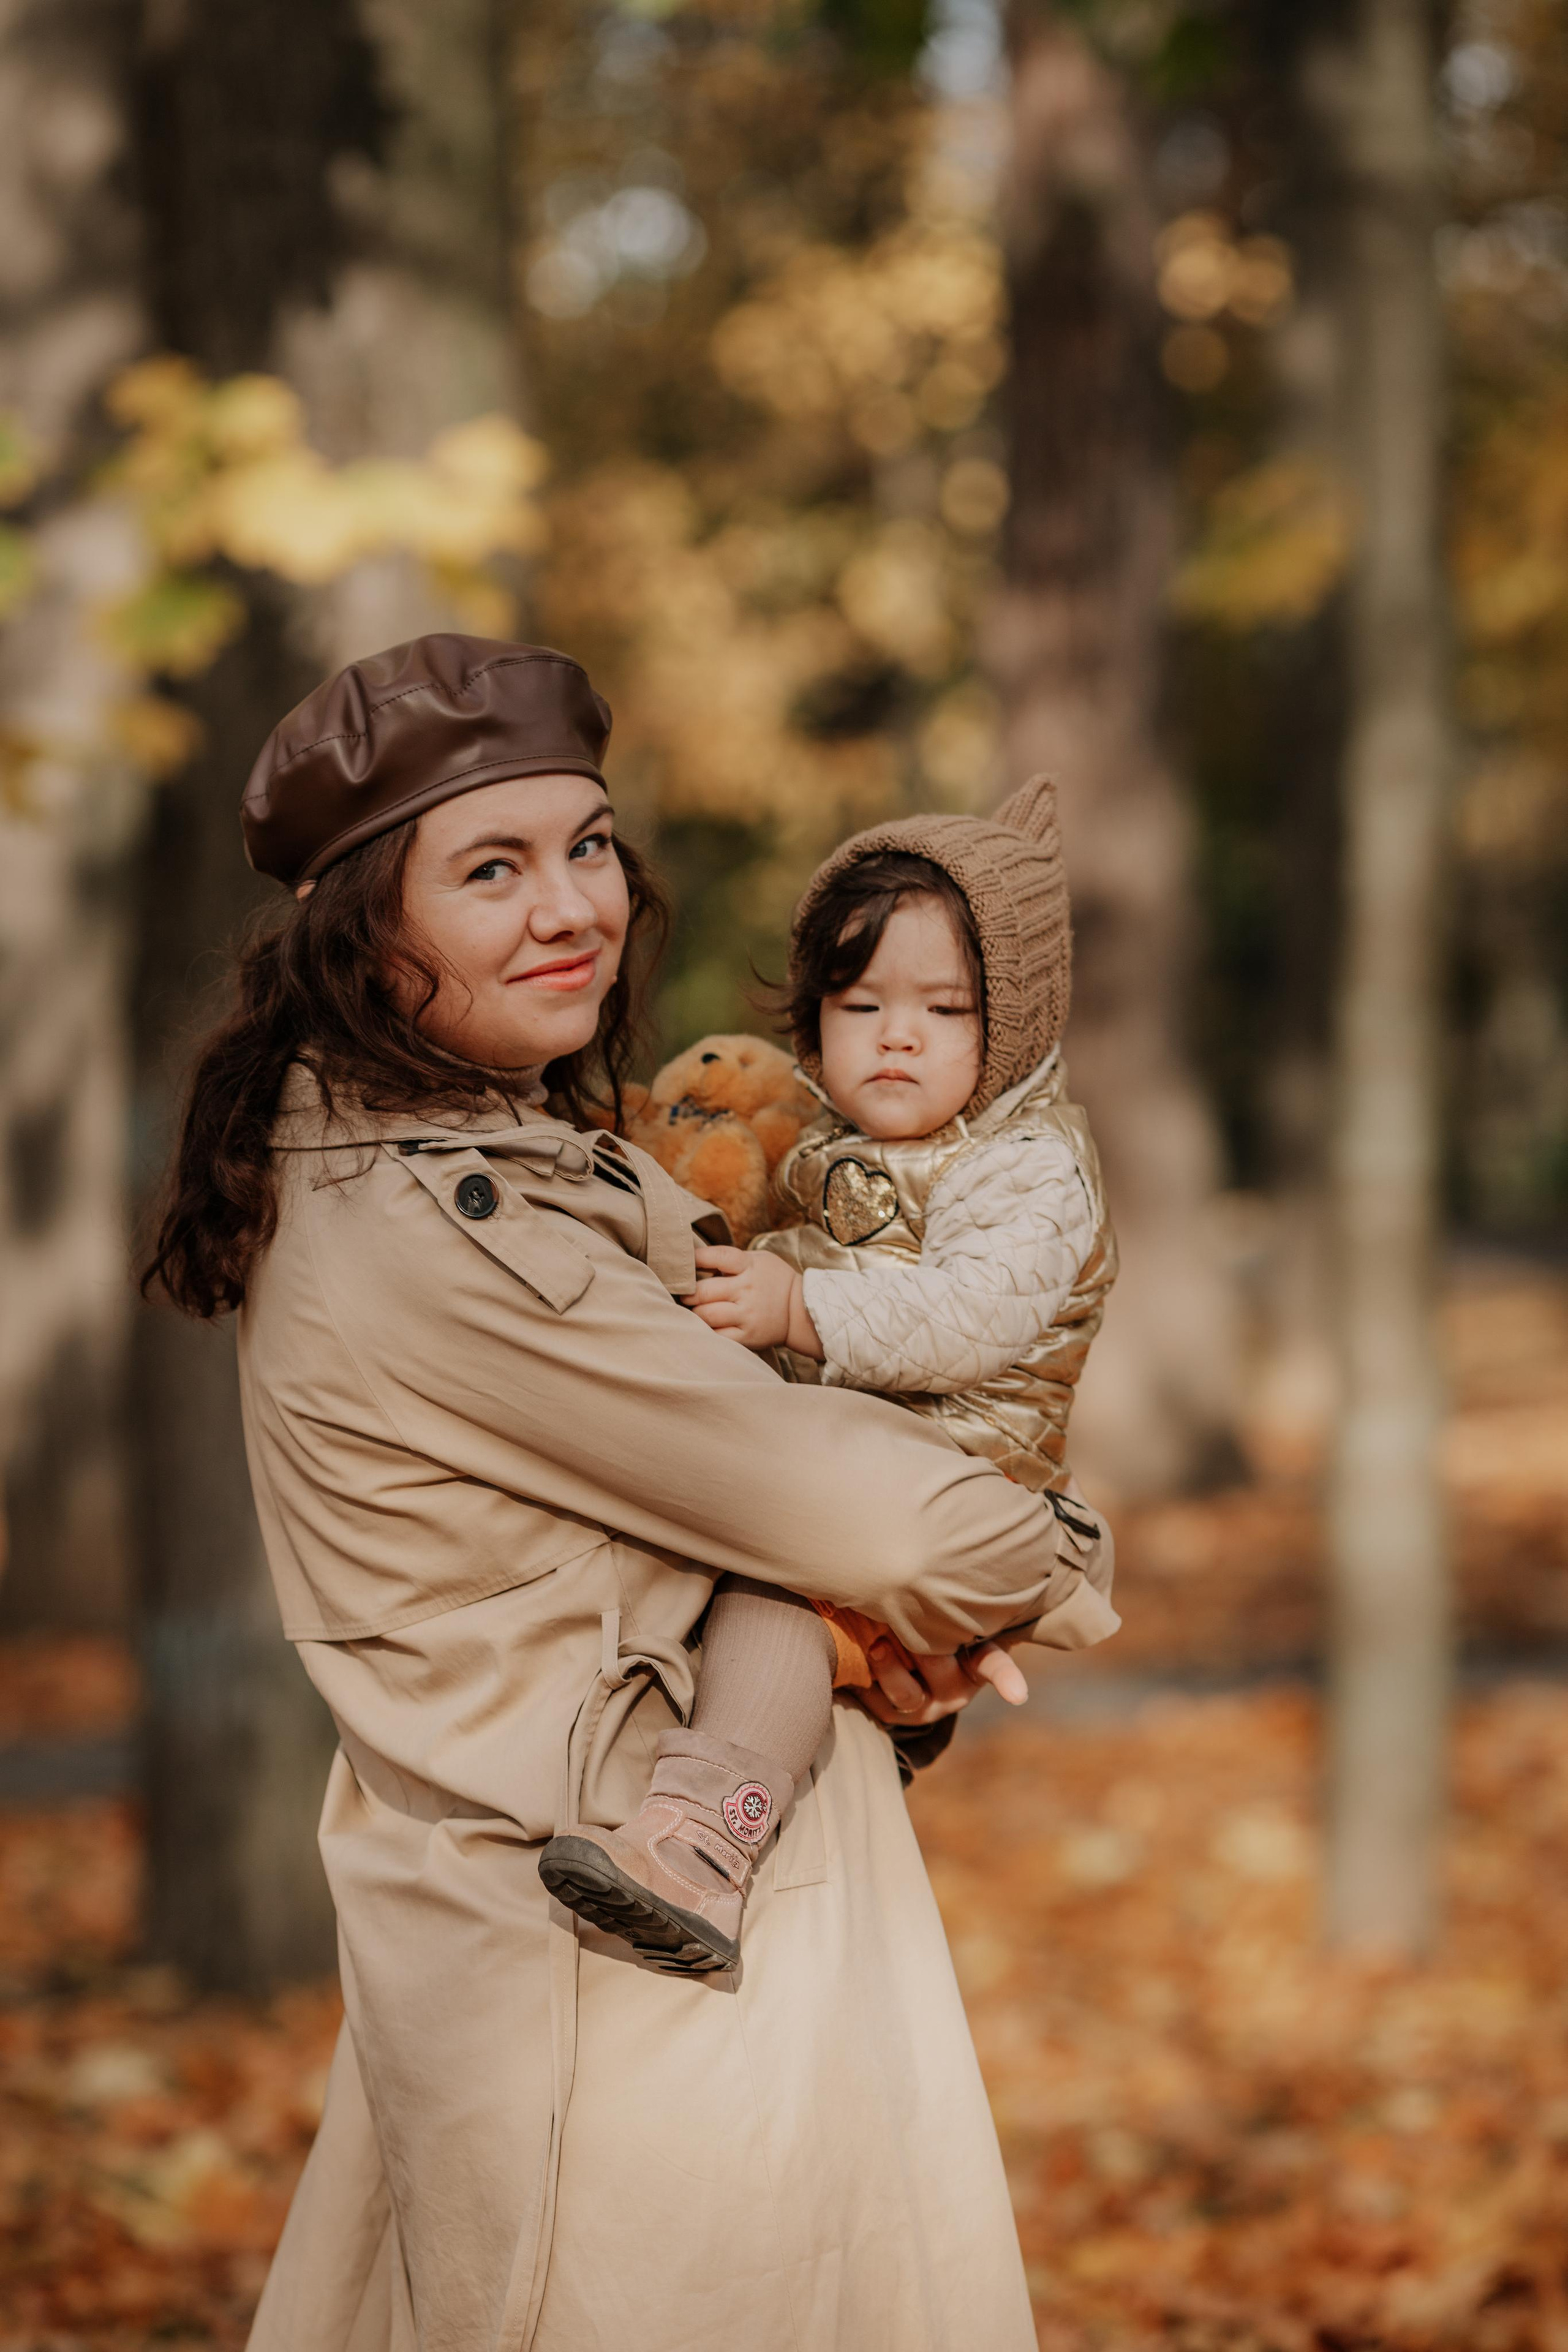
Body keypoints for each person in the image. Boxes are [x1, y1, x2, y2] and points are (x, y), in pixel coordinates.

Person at [141, 632, 1113, 2352]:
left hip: (604, 1942)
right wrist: (1037, 1559)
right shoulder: (454, 1224)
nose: (572, 906)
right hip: (631, 1996)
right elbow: (896, 1525)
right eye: (493, 871)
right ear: (369, 925)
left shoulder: (451, 1140)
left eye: (586, 846)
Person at [541, 784, 1118, 1973]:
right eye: (859, 1004)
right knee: (761, 1593)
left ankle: (705, 1841)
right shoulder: (826, 1136)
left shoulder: (1026, 1170)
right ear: (811, 1022)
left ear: (1008, 1028)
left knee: (775, 1598)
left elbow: (966, 1318)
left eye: (942, 1008)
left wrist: (798, 1306)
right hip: (853, 1461)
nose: (895, 1035)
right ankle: (840, 1738)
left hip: (969, 1472)